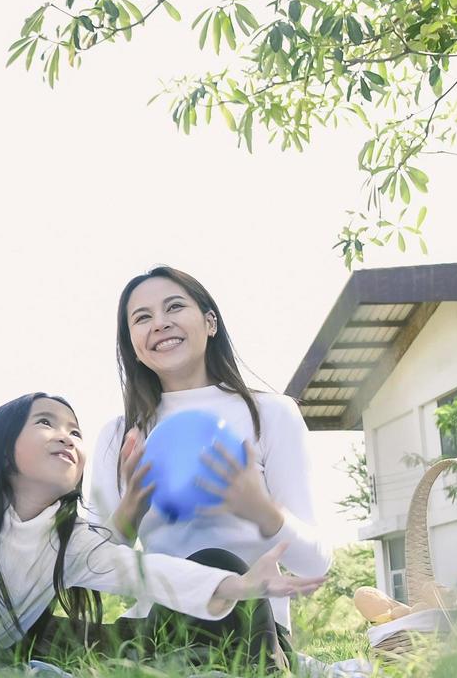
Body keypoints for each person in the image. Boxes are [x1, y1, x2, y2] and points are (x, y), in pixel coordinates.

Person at [0, 393, 324, 673]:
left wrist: (239, 585)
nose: (66, 435)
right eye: (45, 422)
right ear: (2, 449)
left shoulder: (71, 539)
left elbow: (146, 572)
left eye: (74, 430)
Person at [89, 266, 334, 654]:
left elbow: (315, 565)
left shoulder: (271, 413)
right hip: (156, 629)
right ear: (132, 342)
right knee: (38, 632)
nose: (160, 324)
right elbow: (87, 566)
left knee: (216, 561)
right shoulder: (121, 435)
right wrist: (132, 508)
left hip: (251, 635)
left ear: (210, 322)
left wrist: (263, 511)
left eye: (174, 308)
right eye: (142, 318)